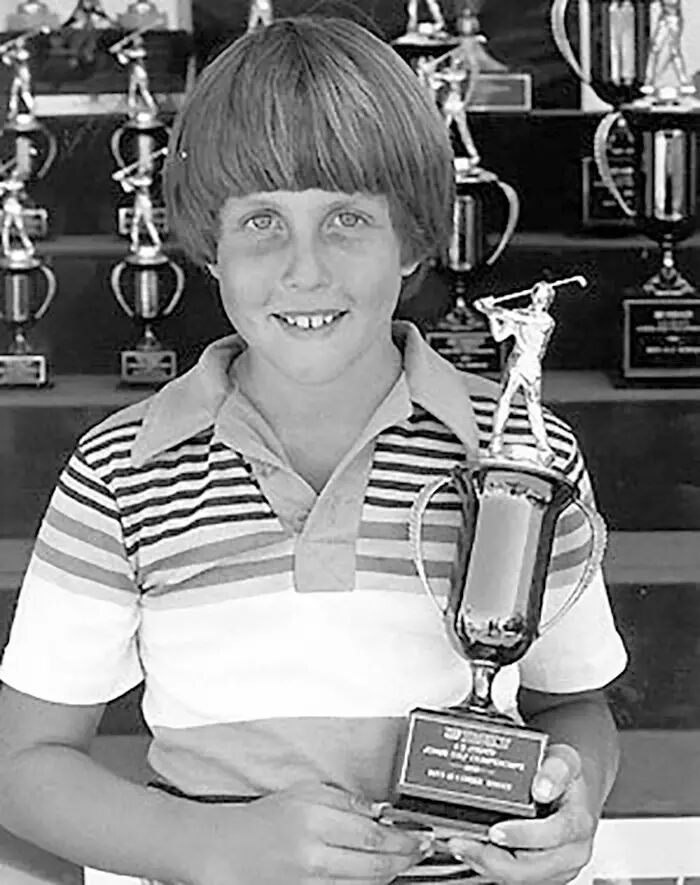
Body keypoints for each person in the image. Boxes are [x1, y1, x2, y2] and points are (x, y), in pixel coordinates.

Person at [0, 15, 627, 885]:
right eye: (262, 220)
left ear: (414, 239)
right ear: (208, 245)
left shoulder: (523, 453)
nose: (305, 270)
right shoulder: (122, 469)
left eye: (347, 218)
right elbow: (24, 764)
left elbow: (576, 704)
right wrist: (211, 845)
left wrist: (571, 800)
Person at [475, 281, 558, 465]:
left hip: (531, 366)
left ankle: (543, 448)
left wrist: (489, 309)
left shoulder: (546, 321)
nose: (539, 301)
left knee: (533, 406)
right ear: (532, 295)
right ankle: (495, 442)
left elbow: (512, 316)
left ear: (548, 302)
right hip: (515, 363)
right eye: (538, 296)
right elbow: (499, 336)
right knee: (504, 400)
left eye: (544, 299)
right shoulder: (520, 314)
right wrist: (491, 316)